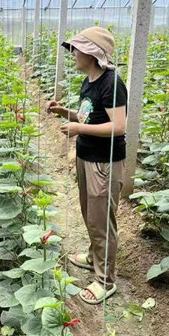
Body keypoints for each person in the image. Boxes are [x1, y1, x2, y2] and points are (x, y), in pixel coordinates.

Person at [46, 27, 127, 305]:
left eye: (77, 50)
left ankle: (106, 280)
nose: (73, 55)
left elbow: (119, 126)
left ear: (92, 54)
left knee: (102, 220)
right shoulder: (89, 81)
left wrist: (79, 127)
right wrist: (65, 113)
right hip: (86, 157)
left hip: (104, 161)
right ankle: (94, 256)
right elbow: (88, 117)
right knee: (90, 212)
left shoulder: (111, 83)